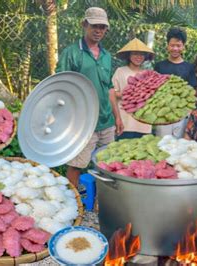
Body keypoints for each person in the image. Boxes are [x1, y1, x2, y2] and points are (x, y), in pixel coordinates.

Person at [55, 7, 123, 186]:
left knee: (108, 165)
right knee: (76, 165)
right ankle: (74, 201)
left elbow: (109, 88)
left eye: (102, 27)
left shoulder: (107, 56)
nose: (99, 30)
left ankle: (101, 203)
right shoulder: (72, 52)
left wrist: (117, 117)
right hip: (84, 123)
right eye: (94, 26)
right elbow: (61, 85)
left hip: (106, 122)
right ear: (85, 24)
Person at [155, 27, 197, 138]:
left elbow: (192, 90)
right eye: (172, 45)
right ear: (167, 45)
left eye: (178, 46)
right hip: (163, 114)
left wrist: (189, 111)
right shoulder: (159, 66)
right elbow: (154, 89)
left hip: (182, 114)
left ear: (183, 46)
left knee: (178, 144)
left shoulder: (189, 67)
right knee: (162, 143)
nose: (175, 48)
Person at [109, 38, 155, 139]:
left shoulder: (148, 74)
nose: (138, 57)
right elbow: (112, 93)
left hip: (144, 121)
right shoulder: (120, 71)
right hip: (125, 121)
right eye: (135, 54)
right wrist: (127, 95)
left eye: (141, 54)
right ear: (129, 56)